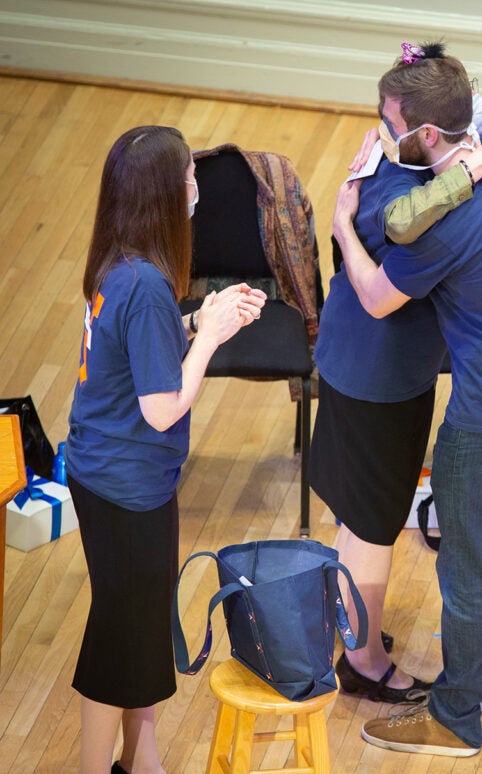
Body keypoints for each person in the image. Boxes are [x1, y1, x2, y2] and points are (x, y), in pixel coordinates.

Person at [332, 44, 482, 757]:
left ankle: (456, 715)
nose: (382, 133)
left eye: (389, 122)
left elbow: (376, 297)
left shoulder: (442, 225)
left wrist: (346, 226)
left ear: (428, 135)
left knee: (466, 571)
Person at [66, 125, 266, 773]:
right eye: (187, 177)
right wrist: (208, 338)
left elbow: (136, 355)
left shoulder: (118, 262)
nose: (196, 186)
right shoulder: (148, 283)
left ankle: (141, 756)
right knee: (118, 637)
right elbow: (161, 408)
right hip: (126, 487)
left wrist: (196, 320)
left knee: (143, 625)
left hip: (111, 477)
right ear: (159, 194)